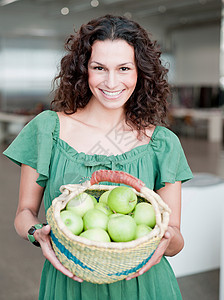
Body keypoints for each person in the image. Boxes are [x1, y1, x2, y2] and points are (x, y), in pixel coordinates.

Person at [3, 14, 193, 300]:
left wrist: (165, 238)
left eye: (124, 68)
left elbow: (176, 239)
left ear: (140, 72)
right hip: (70, 282)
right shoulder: (47, 130)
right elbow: (23, 213)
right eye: (99, 68)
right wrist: (36, 232)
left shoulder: (162, 143)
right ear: (83, 70)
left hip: (144, 287)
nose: (112, 82)